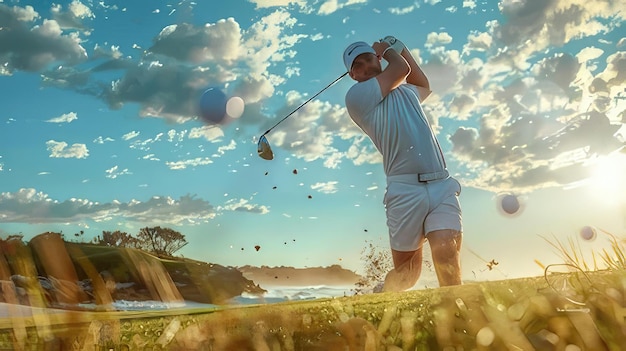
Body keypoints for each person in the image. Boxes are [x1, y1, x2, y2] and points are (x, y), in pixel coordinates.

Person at [343, 37, 463, 292]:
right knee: (408, 274)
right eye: (357, 65)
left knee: (446, 254)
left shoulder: (407, 92)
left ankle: (456, 317)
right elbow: (401, 69)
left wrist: (401, 46)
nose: (364, 65)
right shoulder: (357, 97)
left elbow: (421, 82)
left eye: (367, 58)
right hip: (404, 191)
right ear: (352, 75)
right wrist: (386, 50)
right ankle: (378, 295)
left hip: (441, 184)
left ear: (376, 60)